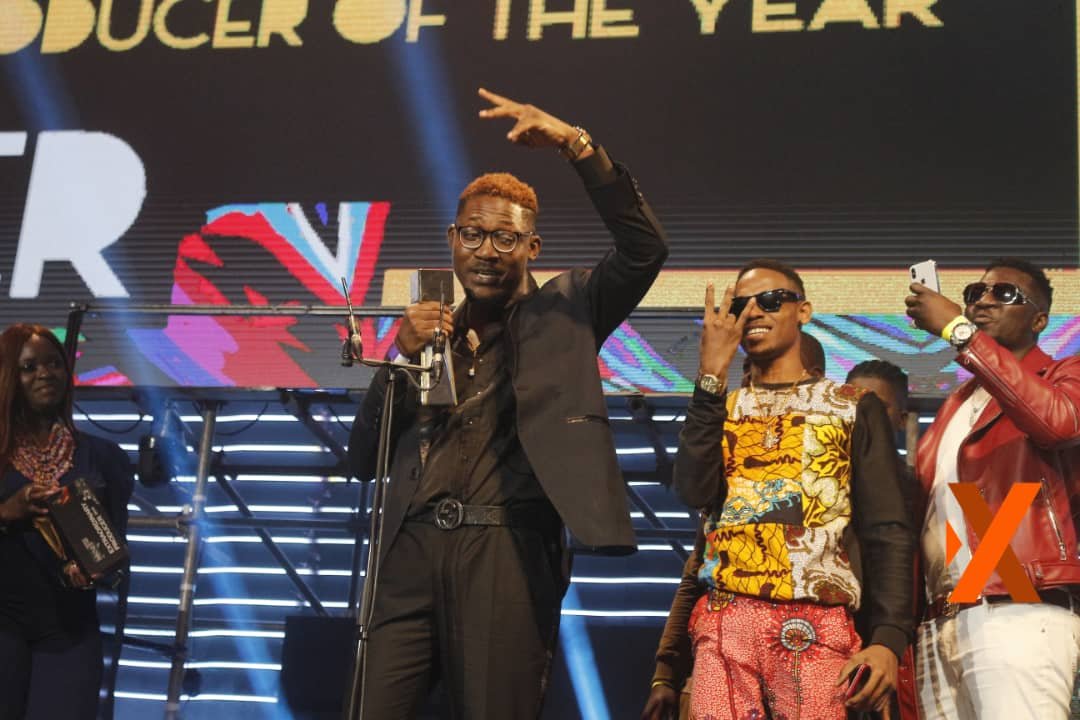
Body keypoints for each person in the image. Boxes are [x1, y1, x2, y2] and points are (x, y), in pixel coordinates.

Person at [347, 88, 669, 719]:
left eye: (505, 238)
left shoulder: (568, 310)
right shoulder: (429, 330)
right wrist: (399, 359)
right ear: (453, 238)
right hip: (410, 551)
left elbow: (645, 249)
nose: (487, 252)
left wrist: (576, 145)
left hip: (504, 552)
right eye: (473, 235)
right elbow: (364, 458)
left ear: (531, 247)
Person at [673, 259, 913, 719]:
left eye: (770, 300)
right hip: (725, 622)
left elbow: (887, 529)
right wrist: (710, 377)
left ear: (803, 311)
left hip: (816, 624)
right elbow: (691, 491)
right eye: (741, 305)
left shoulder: (851, 406)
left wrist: (888, 638)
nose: (753, 312)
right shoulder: (722, 406)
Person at [905, 257, 1080, 720]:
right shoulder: (957, 405)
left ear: (1039, 321)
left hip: (1017, 603)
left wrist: (960, 333)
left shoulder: (1064, 375)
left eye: (1004, 294)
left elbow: (1058, 424)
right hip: (940, 619)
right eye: (974, 294)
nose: (982, 301)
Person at [643, 329, 829, 720]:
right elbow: (695, 574)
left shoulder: (835, 470)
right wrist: (666, 674)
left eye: (767, 375)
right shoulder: (728, 473)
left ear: (813, 378)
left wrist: (883, 645)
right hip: (721, 662)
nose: (753, 389)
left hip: (815, 660)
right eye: (747, 376)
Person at [0, 324, 133, 720]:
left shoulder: (104, 457)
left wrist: (98, 570)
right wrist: (7, 512)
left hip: (70, 632)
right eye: (29, 367)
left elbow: (116, 551)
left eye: (54, 364)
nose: (46, 374)